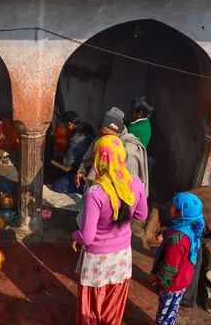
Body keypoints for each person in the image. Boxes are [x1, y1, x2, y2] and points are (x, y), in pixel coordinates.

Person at [72, 135, 148, 324]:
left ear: (99, 159)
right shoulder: (136, 183)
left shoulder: (95, 193)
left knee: (91, 302)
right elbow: (141, 216)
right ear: (121, 156)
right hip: (122, 255)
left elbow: (87, 237)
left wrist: (75, 235)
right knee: (113, 300)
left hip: (97, 259)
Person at [152, 193, 204, 325]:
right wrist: (168, 231)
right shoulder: (191, 225)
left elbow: (169, 267)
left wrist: (156, 278)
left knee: (163, 313)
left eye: (173, 207)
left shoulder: (177, 240)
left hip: (171, 283)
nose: (170, 207)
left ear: (180, 213)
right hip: (183, 279)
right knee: (172, 311)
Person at [76, 107, 149, 196]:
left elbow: (129, 191)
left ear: (118, 133)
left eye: (107, 135)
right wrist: (82, 171)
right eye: (101, 133)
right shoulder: (102, 138)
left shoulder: (130, 152)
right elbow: (88, 159)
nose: (104, 138)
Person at [52, 111, 98, 193]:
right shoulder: (88, 126)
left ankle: (84, 187)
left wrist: (54, 156)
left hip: (85, 171)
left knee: (58, 186)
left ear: (69, 125)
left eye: (62, 127)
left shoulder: (75, 140)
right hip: (93, 167)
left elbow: (67, 163)